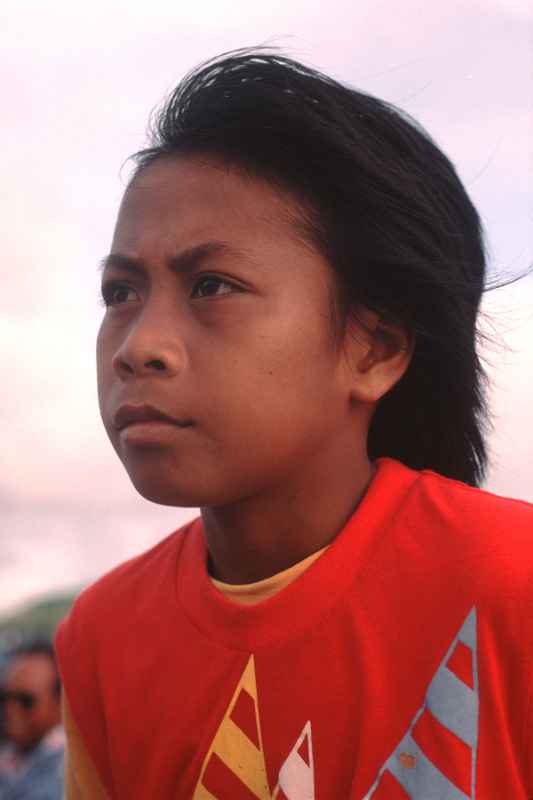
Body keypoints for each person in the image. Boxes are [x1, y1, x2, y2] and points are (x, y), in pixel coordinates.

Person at [55, 49, 533, 798]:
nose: (140, 345)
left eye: (213, 286)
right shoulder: (103, 637)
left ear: (372, 349)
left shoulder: (512, 586)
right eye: (121, 292)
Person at [0, 642, 64, 799]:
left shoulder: (69, 769)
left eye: (25, 700)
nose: (10, 709)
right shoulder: (11, 755)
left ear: (60, 702)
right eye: (4, 697)